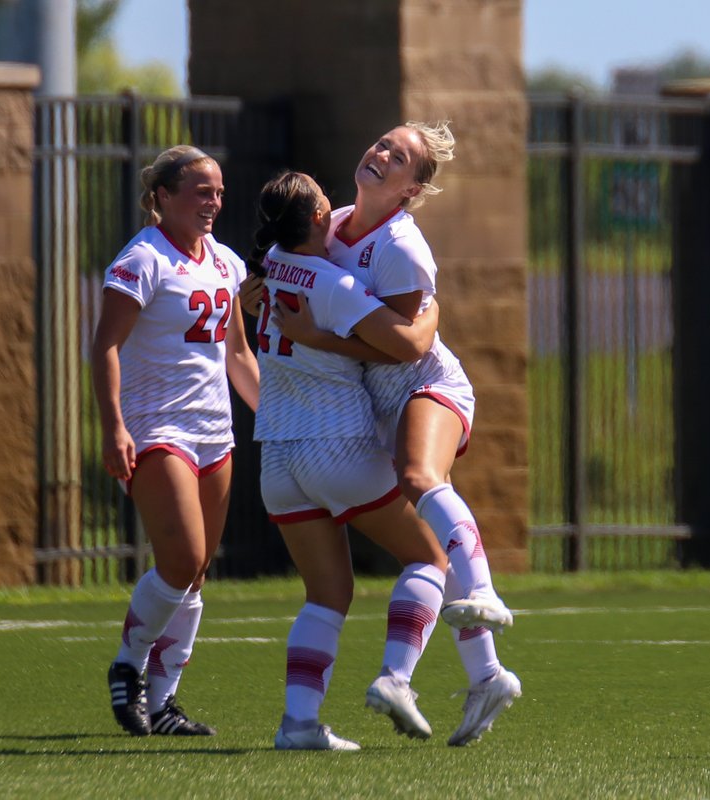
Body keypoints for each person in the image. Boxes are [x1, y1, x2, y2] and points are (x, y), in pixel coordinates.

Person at [274, 122, 521, 747]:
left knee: (419, 479)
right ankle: (488, 675)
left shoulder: (403, 245)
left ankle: (482, 596)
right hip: (377, 405)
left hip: (428, 384)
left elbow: (409, 349)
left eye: (400, 156)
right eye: (383, 143)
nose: (382, 153)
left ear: (412, 189)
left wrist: (317, 339)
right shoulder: (330, 225)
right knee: (429, 536)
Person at [251, 171, 455, 751]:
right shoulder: (332, 282)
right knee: (430, 558)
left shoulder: (266, 269)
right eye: (324, 201)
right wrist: (434, 307)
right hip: (333, 444)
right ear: (319, 219)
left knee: (326, 595)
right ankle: (396, 678)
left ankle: (298, 725)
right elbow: (408, 343)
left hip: (278, 459)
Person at [91, 145, 259, 737]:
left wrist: (276, 416)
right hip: (157, 429)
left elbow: (236, 353)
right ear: (162, 197)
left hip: (215, 432)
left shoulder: (225, 262)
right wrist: (114, 426)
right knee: (181, 559)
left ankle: (162, 703)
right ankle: (129, 666)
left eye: (218, 191)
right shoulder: (142, 260)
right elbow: (105, 345)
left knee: (196, 573)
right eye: (200, 191)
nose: (213, 202)